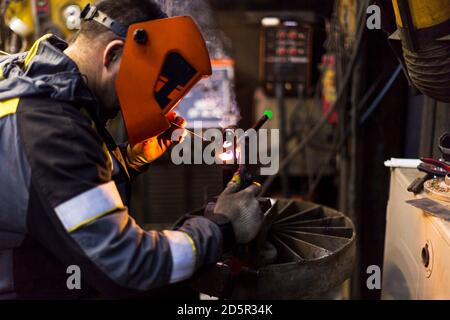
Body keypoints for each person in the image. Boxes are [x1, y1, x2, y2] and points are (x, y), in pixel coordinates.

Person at [0, 0, 263, 299]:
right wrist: (223, 226)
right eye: (150, 85)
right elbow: (129, 267)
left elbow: (48, 190)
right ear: (112, 54)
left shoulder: (26, 76)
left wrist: (127, 160)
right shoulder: (53, 127)